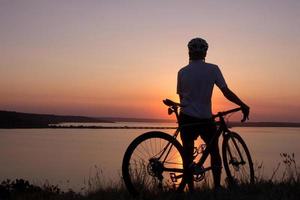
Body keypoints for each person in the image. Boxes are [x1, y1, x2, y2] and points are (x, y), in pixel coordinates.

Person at [177, 37, 250, 190]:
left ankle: (190, 190)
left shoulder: (182, 72)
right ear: (206, 52)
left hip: (186, 117)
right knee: (214, 152)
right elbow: (226, 92)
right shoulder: (213, 69)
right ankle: (217, 186)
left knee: (187, 154)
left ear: (189, 52)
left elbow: (182, 97)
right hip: (205, 117)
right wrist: (242, 104)